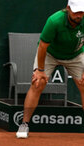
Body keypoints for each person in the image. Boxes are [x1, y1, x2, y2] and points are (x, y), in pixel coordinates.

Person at [16, 0, 84, 138]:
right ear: (68, 8)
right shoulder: (54, 21)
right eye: (76, 12)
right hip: (50, 55)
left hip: (75, 55)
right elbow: (42, 46)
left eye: (82, 12)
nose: (79, 15)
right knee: (37, 83)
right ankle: (24, 124)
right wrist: (40, 70)